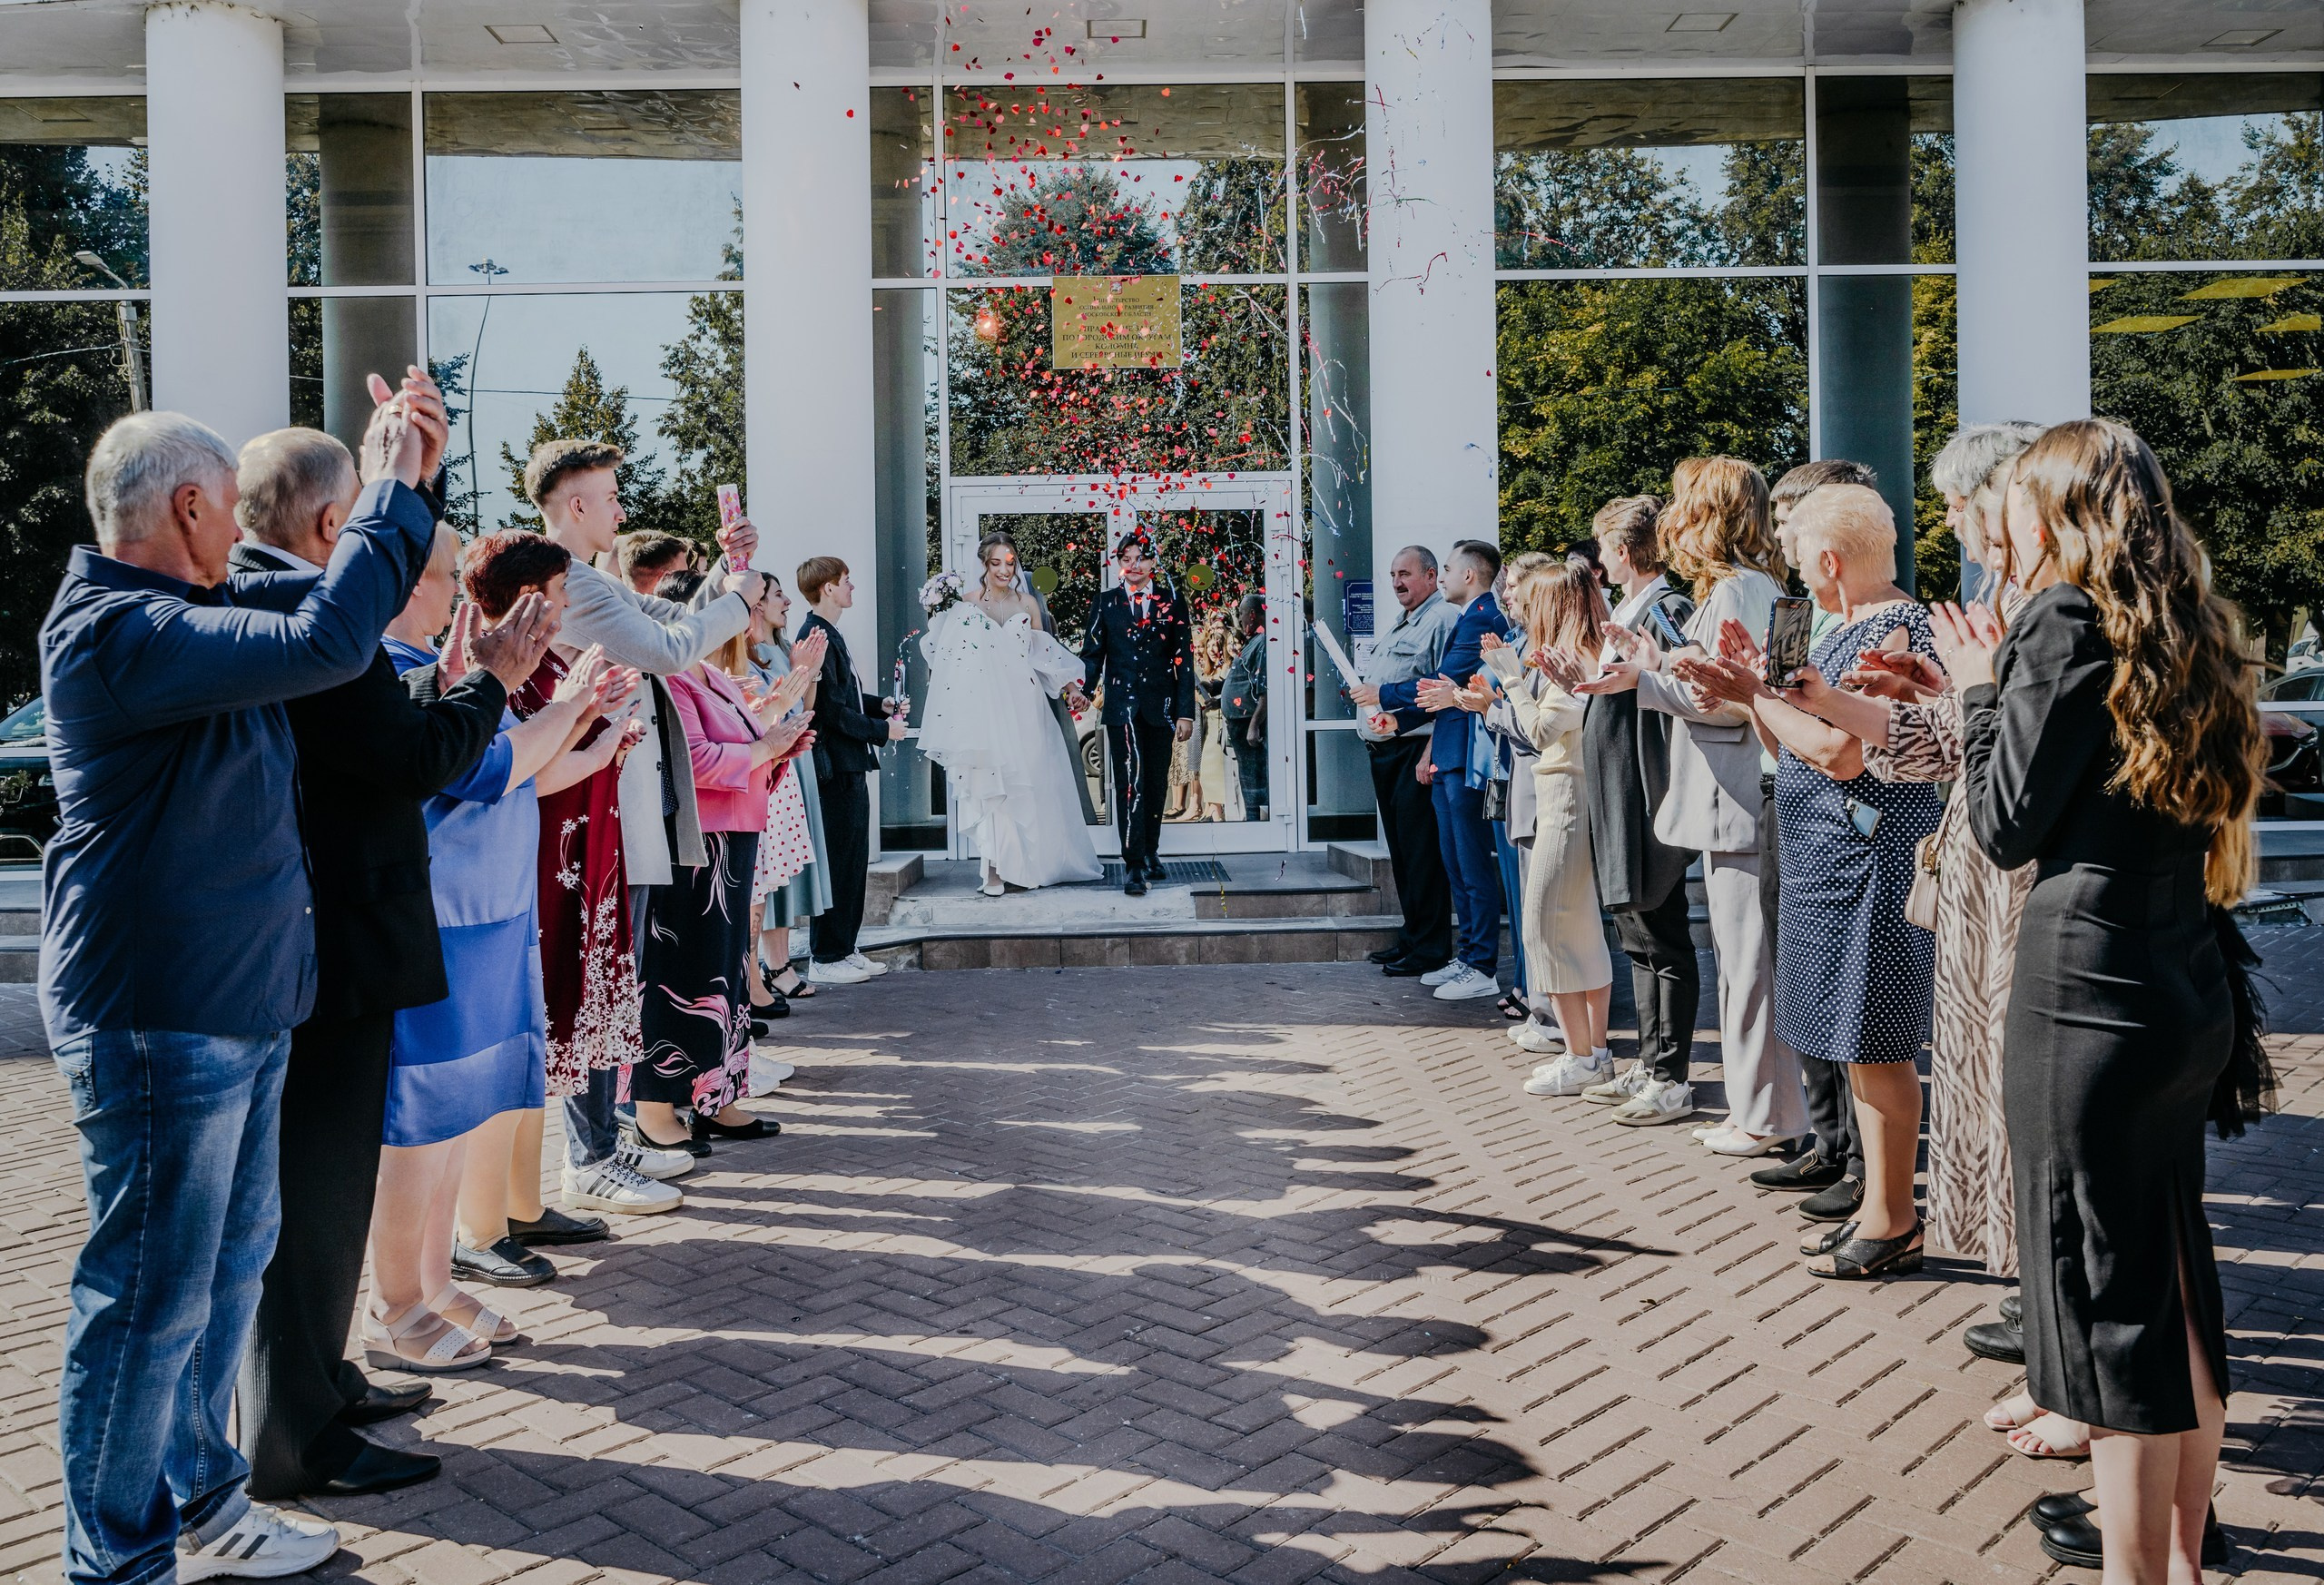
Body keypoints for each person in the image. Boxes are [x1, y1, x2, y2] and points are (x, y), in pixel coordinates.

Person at [41, 395, 440, 1583]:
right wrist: (378, 493)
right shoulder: (119, 632)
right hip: (159, 1012)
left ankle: (207, 1502)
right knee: (148, 1300)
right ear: (187, 504)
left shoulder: (202, 606)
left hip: (242, 1002)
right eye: (224, 510)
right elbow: (326, 641)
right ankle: (116, 1560)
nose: (236, 534)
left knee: (220, 1272)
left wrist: (408, 480)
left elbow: (343, 618)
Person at [1955, 418, 2263, 1582]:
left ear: (2055, 514)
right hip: (2181, 975)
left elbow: (2004, 825)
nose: (2007, 524)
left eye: (2019, 504)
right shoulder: (2186, 623)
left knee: (2106, 1306)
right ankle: (2182, 1557)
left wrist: (1983, 689)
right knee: (2175, 1277)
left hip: (2087, 985)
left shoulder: (2061, 619)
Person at [225, 414, 535, 1502]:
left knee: (330, 1187)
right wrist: (489, 679)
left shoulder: (284, 604)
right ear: (325, 520)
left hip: (329, 934)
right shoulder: (292, 607)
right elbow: (407, 762)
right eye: (361, 510)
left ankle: (324, 1379)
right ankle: (293, 1434)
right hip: (330, 940)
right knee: (309, 1197)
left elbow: (366, 738)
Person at [370, 536, 634, 1376]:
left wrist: (590, 725)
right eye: (446, 576)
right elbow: (480, 770)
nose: (458, 592)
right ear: (415, 584)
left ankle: (437, 1280)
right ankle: (395, 1302)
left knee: (463, 1115)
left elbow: (520, 772)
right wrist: (566, 706)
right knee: (421, 1122)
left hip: (494, 914)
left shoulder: (457, 665)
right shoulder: (390, 665)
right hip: (444, 916)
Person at [1679, 486, 1944, 1277]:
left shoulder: (1897, 628)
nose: (1790, 567)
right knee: (1850, 1040)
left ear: (1830, 562)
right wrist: (1749, 686)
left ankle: (1895, 1217)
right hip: (1828, 851)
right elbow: (1790, 744)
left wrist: (1752, 690)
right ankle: (1877, 1205)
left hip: (1867, 857)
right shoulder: (1847, 625)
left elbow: (1840, 755)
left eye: (1797, 554)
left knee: (1875, 1041)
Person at [527, 438, 763, 1219]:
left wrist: (734, 579)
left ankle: (602, 1137)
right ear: (576, 506)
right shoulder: (566, 582)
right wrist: (737, 598)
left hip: (621, 801)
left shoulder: (591, 579)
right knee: (596, 975)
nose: (623, 510)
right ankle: (589, 1155)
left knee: (611, 975)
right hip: (593, 800)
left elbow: (677, 620)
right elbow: (668, 650)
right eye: (611, 495)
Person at [1591, 457, 1808, 1156]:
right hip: (1730, 797)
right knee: (1744, 964)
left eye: (1685, 503)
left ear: (1708, 515)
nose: (1674, 518)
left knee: (1750, 968)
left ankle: (1766, 1115)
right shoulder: (1742, 586)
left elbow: (1729, 702)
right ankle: (1759, 1108)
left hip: (1736, 795)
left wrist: (1649, 675)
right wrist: (1657, 664)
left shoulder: (1740, 590)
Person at [631, 567, 812, 1151]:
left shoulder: (710, 675)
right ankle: (656, 1109)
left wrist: (779, 732)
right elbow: (699, 761)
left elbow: (747, 739)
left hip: (733, 836)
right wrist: (767, 743)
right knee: (680, 977)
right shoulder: (669, 679)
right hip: (694, 844)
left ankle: (719, 1097)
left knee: (727, 974)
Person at [1570, 498, 1700, 1126]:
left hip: (1646, 792)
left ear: (1622, 550)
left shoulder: (1667, 609)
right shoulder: (1628, 608)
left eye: (1601, 546)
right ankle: (1650, 1064)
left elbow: (1691, 679)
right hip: (1618, 790)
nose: (1597, 559)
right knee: (1638, 934)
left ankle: (1672, 1075)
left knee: (1662, 934)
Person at [1482, 559, 1615, 1093]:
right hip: (1572, 794)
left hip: (1564, 798)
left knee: (1544, 927)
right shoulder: (1586, 650)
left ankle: (1581, 1056)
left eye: (1531, 601)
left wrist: (1510, 679)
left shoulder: (1572, 654)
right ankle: (1595, 1053)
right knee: (1581, 930)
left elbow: (1541, 729)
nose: (1523, 610)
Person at [918, 535, 1104, 893]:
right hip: (985, 709)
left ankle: (1034, 864)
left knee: (1030, 785)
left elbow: (1044, 655)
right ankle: (994, 869)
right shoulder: (965, 605)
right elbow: (943, 655)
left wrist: (1073, 689)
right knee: (992, 786)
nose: (1005, 569)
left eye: (1011, 562)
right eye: (997, 563)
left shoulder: (1029, 604)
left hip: (1026, 707)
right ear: (984, 566)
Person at [1406, 540, 1513, 1004]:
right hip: (1448, 752)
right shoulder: (1472, 616)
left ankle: (1482, 963)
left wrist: (1381, 696)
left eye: (1446, 569)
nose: (1442, 576)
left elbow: (1442, 684)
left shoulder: (1484, 616)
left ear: (1470, 575)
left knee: (1471, 864)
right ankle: (1469, 953)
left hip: (1468, 758)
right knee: (1456, 864)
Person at [797, 555, 907, 975]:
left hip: (848, 766)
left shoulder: (828, 633)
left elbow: (847, 699)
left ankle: (845, 948)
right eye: (846, 580)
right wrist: (883, 731)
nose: (852, 587)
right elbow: (831, 713)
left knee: (852, 860)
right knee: (840, 861)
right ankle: (826, 956)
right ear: (827, 588)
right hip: (834, 768)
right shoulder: (815, 636)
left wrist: (882, 706)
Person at [1350, 546, 1458, 976]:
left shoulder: (1442, 620)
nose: (1397, 582)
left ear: (1431, 576)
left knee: (1421, 855)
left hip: (1414, 751)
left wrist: (1420, 740)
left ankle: (1431, 949)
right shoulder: (1404, 620)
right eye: (1393, 574)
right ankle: (1413, 938)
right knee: (1402, 853)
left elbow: (1443, 690)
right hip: (1386, 752)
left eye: (1406, 574)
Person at [1074, 534, 1197, 894]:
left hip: (1161, 709)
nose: (1133, 565)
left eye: (1141, 558)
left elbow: (1183, 661)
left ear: (1153, 562)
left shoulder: (1173, 602)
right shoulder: (1106, 602)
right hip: (1121, 708)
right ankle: (1133, 864)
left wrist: (1185, 712)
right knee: (1131, 783)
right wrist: (1082, 690)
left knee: (1156, 783)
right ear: (1118, 563)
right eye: (1126, 558)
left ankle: (1151, 850)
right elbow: (1092, 654)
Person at [743, 574, 832, 1006]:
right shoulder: (745, 654)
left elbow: (805, 708)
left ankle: (777, 964)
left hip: (792, 767)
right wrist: (801, 670)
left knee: (781, 875)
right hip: (768, 770)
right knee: (764, 879)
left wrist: (807, 672)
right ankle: (767, 968)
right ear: (756, 604)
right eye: (778, 595)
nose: (787, 603)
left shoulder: (779, 650)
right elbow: (768, 715)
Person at [1220, 591, 1270, 822]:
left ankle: (1255, 823)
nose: (1239, 619)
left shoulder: (1263, 643)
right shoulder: (1254, 642)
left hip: (1247, 720)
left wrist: (1254, 725)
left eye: (1241, 614)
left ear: (1252, 614)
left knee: (1253, 777)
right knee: (1247, 775)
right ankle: (1252, 819)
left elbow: (1264, 689)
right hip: (1240, 720)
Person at [617, 530, 693, 596]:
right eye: (684, 574)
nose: (688, 579)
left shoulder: (612, 606)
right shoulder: (680, 611)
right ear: (666, 578)